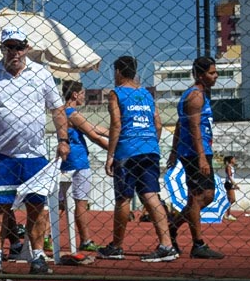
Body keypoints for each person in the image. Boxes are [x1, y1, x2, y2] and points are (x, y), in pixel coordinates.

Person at [0, 26, 69, 276]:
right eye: (9, 47)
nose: (14, 52)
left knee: (37, 208)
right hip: (2, 157)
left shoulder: (42, 74)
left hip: (35, 157)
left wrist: (63, 139)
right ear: (2, 49)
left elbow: (57, 109)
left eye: (19, 46)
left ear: (27, 48)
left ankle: (38, 257)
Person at [99, 56, 177, 262]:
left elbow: (116, 125)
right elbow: (158, 124)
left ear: (117, 72)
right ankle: (166, 245)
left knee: (123, 198)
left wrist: (111, 155)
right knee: (151, 195)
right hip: (150, 148)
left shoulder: (116, 94)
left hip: (127, 150)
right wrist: (150, 143)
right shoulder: (146, 94)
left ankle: (117, 246)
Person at [167, 56, 225, 259]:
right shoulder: (195, 97)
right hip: (194, 153)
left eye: (215, 72)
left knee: (205, 196)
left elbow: (178, 125)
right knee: (200, 196)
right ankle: (197, 244)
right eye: (211, 73)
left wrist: (174, 151)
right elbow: (191, 128)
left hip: (196, 151)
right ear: (201, 75)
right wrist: (200, 157)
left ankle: (173, 227)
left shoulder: (201, 95)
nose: (215, 76)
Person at [58, 81, 108, 253]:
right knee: (80, 202)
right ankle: (85, 239)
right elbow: (93, 134)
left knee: (60, 202)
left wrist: (116, 132)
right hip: (78, 161)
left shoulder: (62, 112)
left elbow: (93, 127)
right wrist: (114, 148)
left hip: (67, 160)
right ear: (75, 95)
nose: (84, 97)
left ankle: (47, 235)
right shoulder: (72, 114)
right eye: (82, 93)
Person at [223, 155, 238, 221]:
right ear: (231, 160)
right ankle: (226, 213)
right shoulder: (228, 167)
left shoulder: (231, 167)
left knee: (230, 200)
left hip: (230, 183)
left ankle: (227, 214)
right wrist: (234, 184)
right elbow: (229, 176)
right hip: (229, 183)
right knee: (232, 199)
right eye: (234, 159)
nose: (235, 160)